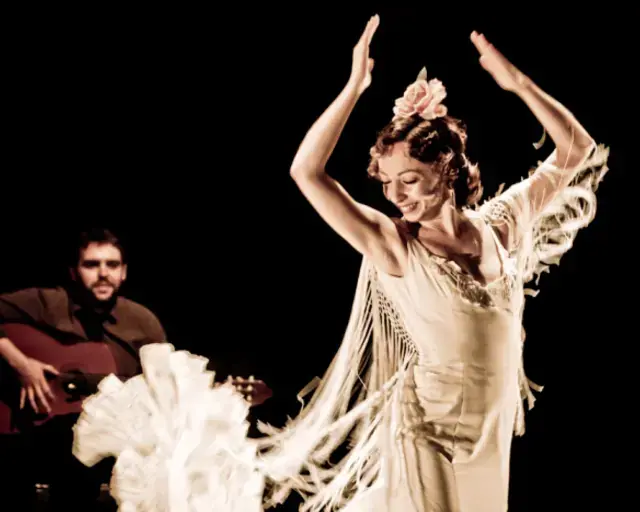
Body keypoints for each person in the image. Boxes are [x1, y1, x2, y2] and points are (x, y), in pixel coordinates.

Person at [254, 15, 609, 512]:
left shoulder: (500, 225)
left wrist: (518, 84)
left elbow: (577, 149)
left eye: (411, 180)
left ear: (446, 170)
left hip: (489, 434)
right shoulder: (394, 245)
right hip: (426, 429)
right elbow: (306, 172)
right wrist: (355, 87)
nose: (396, 195)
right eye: (387, 182)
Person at [0, 227, 167, 511]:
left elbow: (165, 385)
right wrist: (21, 364)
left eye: (112, 265)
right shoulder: (47, 302)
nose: (103, 273)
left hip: (97, 449)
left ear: (124, 272)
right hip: (26, 434)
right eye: (92, 264)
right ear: (75, 272)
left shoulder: (142, 322)